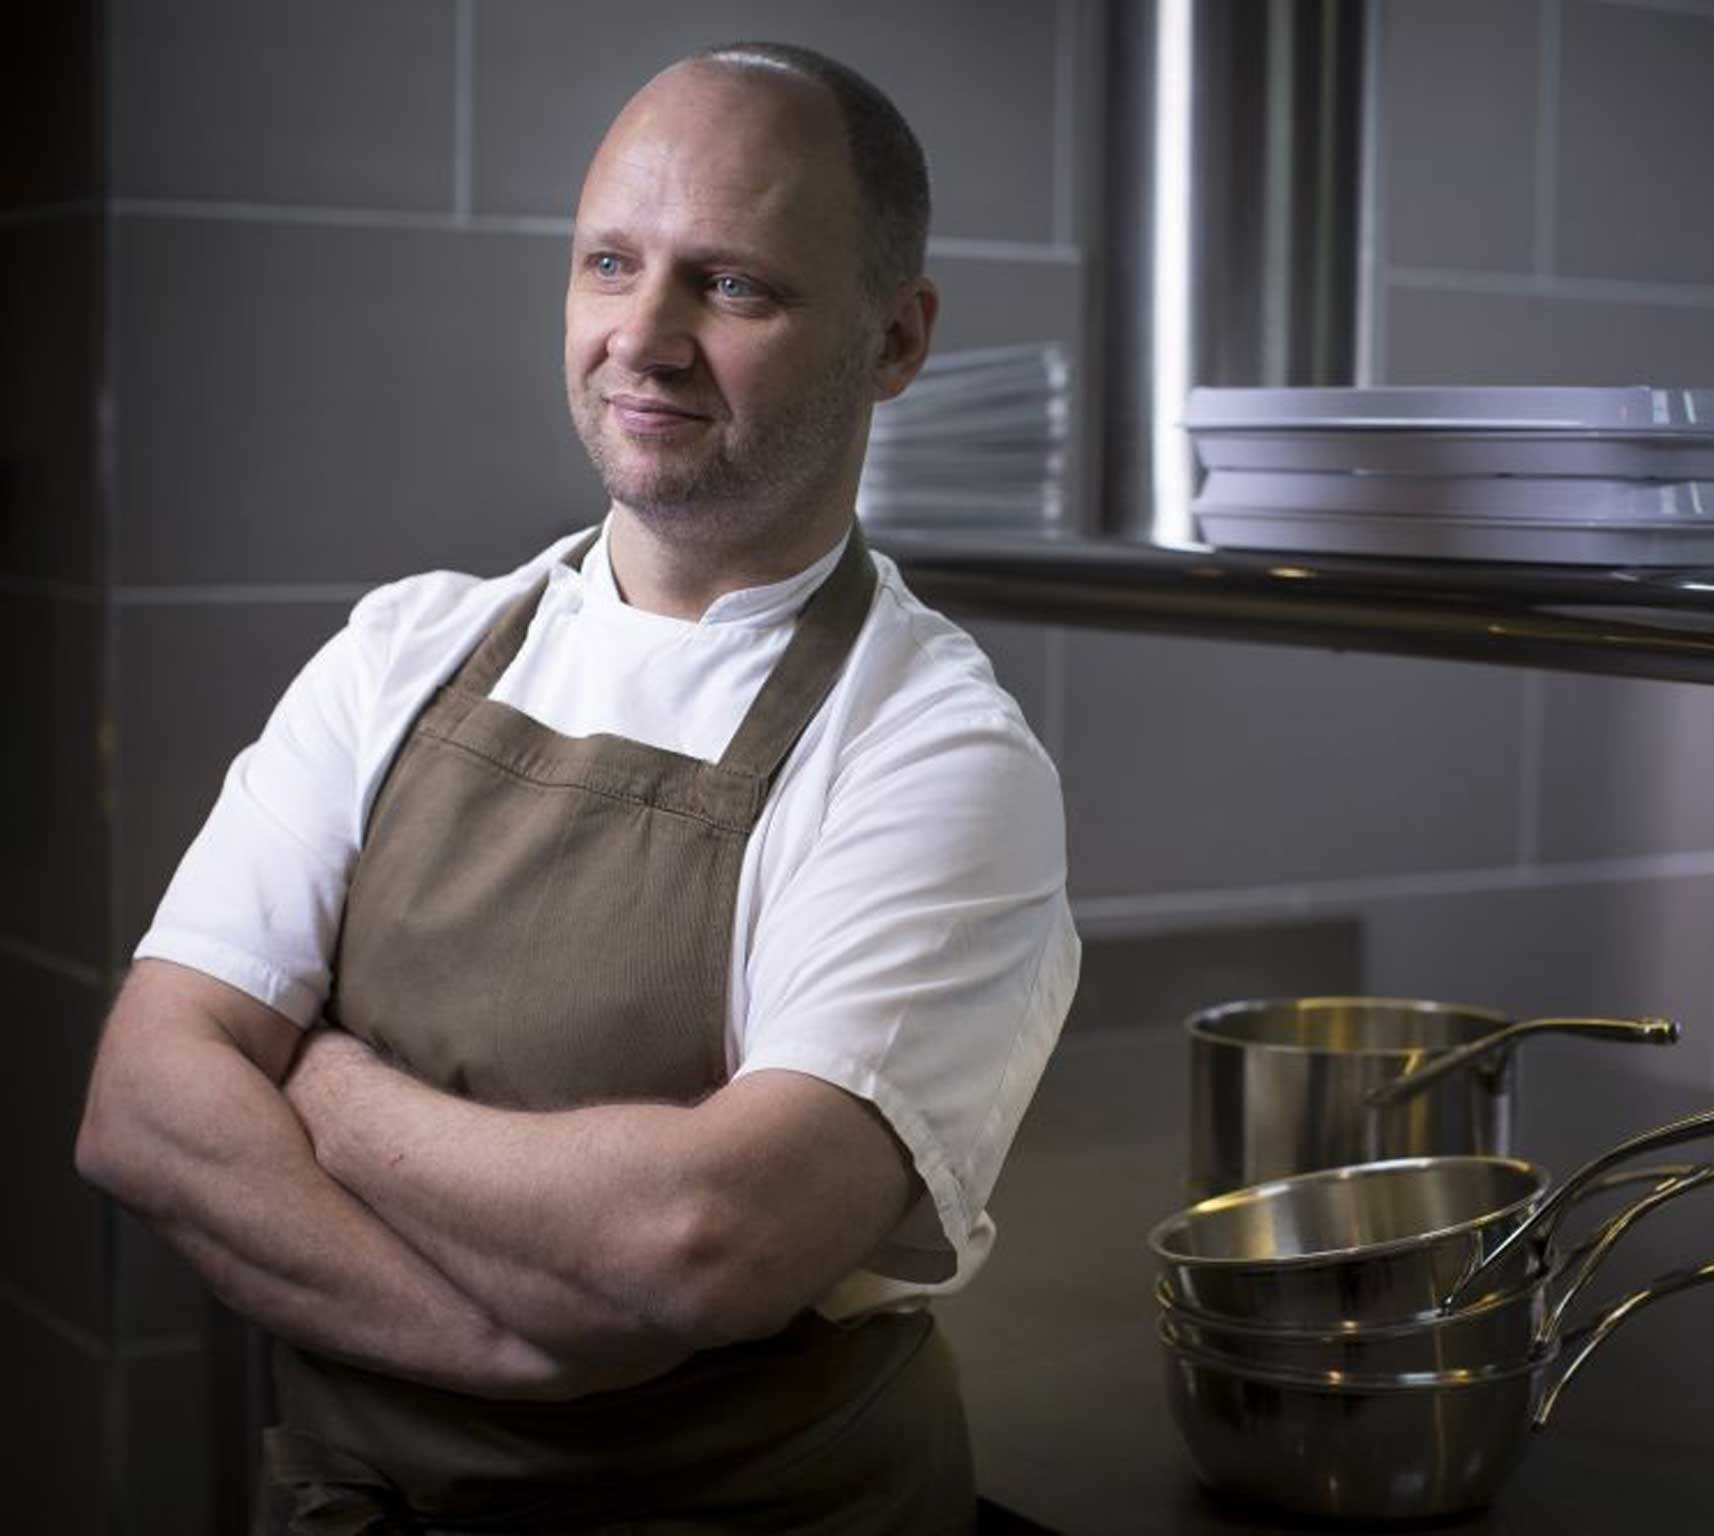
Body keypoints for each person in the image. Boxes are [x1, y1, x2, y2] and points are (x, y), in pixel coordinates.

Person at [74, 41, 1079, 1535]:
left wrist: (323, 1084)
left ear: (896, 339)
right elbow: (142, 1109)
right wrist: (508, 1349)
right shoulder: (402, 648)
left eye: (734, 285)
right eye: (613, 263)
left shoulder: (932, 750)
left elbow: (705, 1238)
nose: (646, 338)